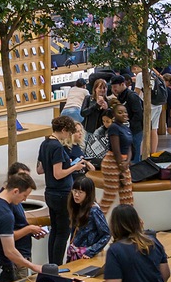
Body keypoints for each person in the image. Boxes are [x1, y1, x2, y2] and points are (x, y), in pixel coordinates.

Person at [38, 115, 91, 263]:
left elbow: (40, 169)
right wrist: (75, 167)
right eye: (69, 132)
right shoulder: (57, 146)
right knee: (63, 233)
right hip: (61, 194)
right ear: (63, 130)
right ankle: (57, 266)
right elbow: (58, 173)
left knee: (55, 230)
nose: (69, 136)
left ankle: (52, 264)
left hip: (50, 192)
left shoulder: (45, 143)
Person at [100, 101, 135, 214]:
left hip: (124, 163)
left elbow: (129, 147)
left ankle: (127, 224)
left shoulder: (126, 128)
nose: (124, 114)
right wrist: (121, 165)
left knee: (127, 197)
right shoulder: (114, 128)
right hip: (112, 163)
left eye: (125, 112)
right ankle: (96, 222)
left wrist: (127, 162)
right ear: (114, 115)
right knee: (109, 197)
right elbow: (116, 149)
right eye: (120, 112)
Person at [65, 176, 110, 261]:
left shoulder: (94, 211)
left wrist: (91, 251)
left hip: (86, 254)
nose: (76, 195)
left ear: (88, 194)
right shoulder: (76, 206)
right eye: (75, 191)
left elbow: (106, 234)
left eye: (80, 192)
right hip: (75, 251)